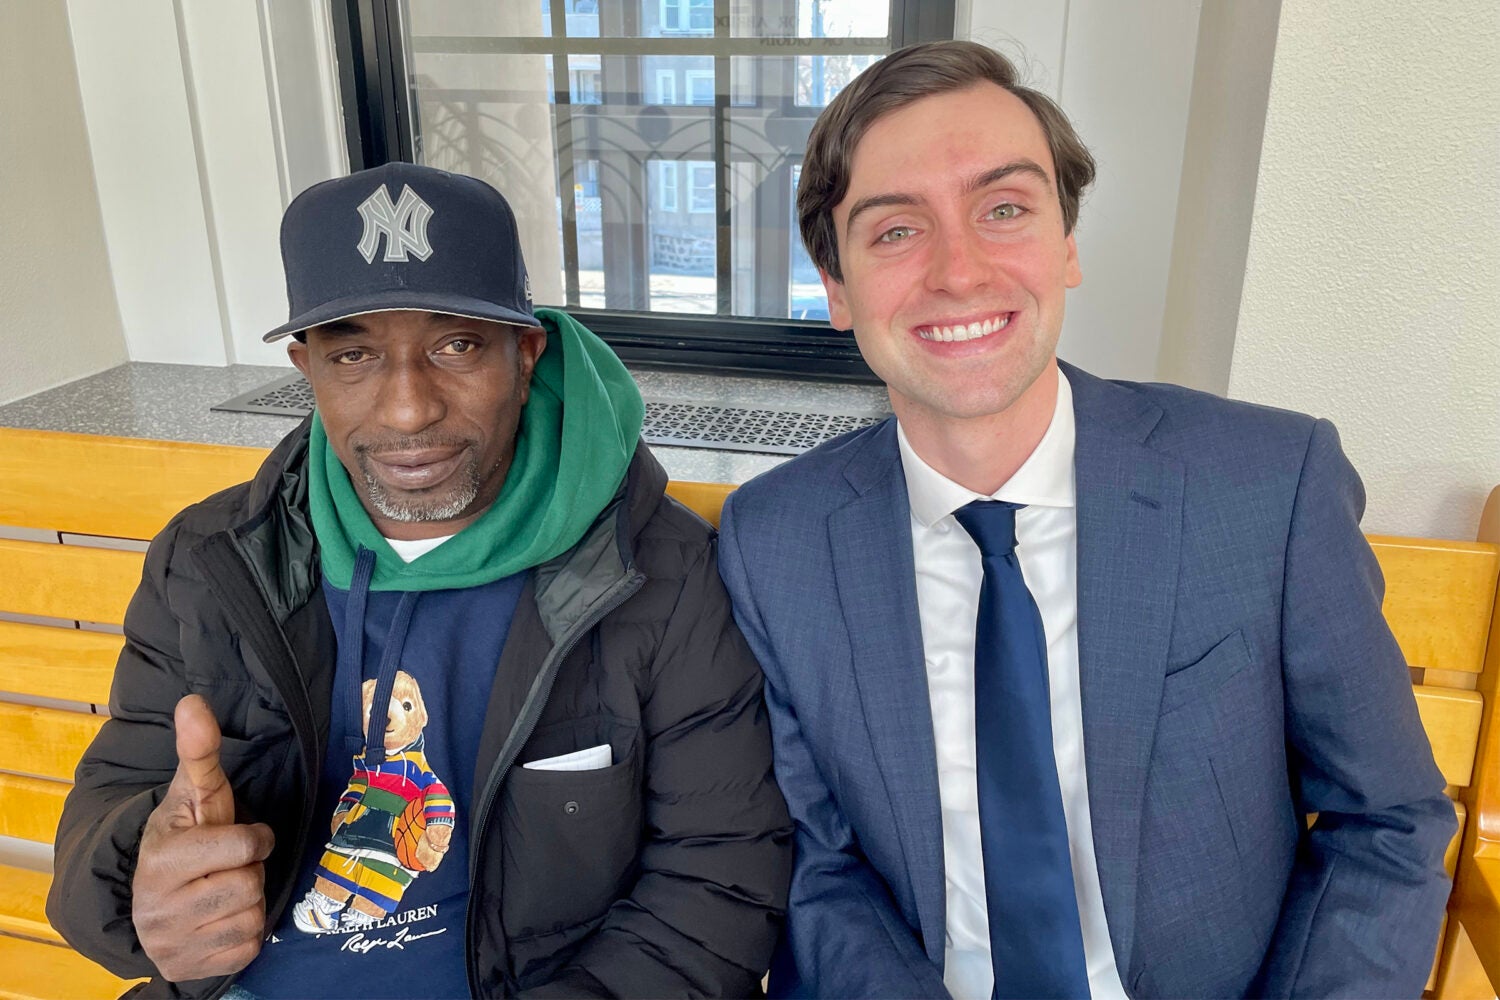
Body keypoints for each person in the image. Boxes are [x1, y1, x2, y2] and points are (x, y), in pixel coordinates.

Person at [716, 40, 1454, 999]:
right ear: (837, 290)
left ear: (1066, 244)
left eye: (1004, 209)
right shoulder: (773, 542)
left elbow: (1386, 822)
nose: (959, 272)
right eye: (895, 230)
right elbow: (817, 866)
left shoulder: (1268, 484)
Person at [47, 162, 792, 999]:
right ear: (306, 368)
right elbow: (109, 818)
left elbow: (717, 882)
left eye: (457, 346)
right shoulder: (215, 560)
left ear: (526, 354)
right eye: (354, 354)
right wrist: (142, 884)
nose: (408, 408)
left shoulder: (657, 575)